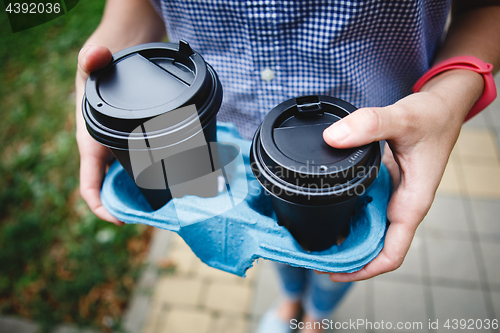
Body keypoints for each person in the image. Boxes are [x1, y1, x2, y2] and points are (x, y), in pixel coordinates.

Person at [75, 1, 500, 332]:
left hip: (374, 143)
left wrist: (448, 98)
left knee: (337, 258)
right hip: (222, 135)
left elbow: (485, 7)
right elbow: (139, 5)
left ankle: (314, 317)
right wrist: (108, 67)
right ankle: (291, 304)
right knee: (283, 244)